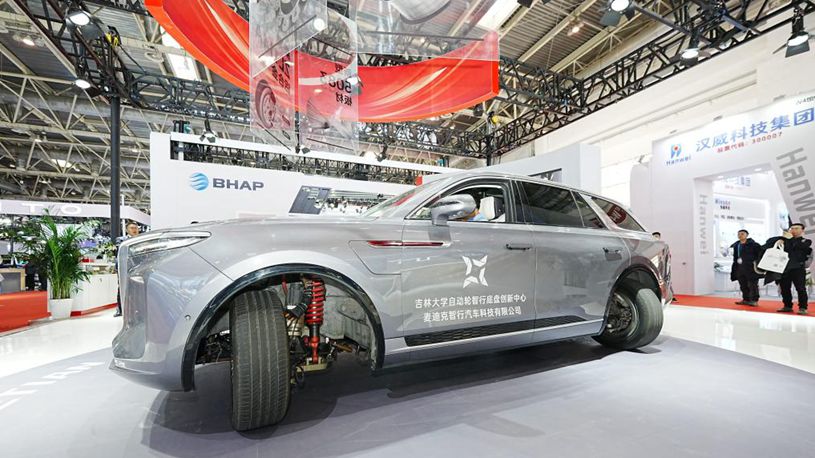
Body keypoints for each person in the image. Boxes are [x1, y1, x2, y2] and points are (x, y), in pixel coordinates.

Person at [764, 223, 812, 315]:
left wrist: (789, 239)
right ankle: (787, 306)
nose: (794, 230)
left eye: (797, 228)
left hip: (798, 268)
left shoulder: (806, 241)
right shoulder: (785, 240)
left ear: (802, 230)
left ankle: (803, 307)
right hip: (784, 268)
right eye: (792, 228)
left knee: (800, 289)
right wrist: (781, 239)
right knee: (785, 288)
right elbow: (769, 243)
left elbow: (800, 247)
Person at [113, 222, 141, 317]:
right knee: (122, 287)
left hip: (138, 266)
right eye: (132, 228)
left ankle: (137, 309)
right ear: (127, 230)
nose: (134, 230)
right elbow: (121, 251)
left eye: (136, 228)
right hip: (124, 267)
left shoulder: (141, 240)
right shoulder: (121, 240)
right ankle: (120, 309)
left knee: (138, 287)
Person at [730, 230, 762, 306]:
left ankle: (754, 300)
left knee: (752, 285)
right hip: (739, 267)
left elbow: (760, 254)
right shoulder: (736, 245)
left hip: (751, 268)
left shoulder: (754, 245)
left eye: (742, 234)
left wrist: (754, 262)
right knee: (743, 284)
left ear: (747, 235)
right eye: (739, 234)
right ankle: (746, 299)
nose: (740, 235)